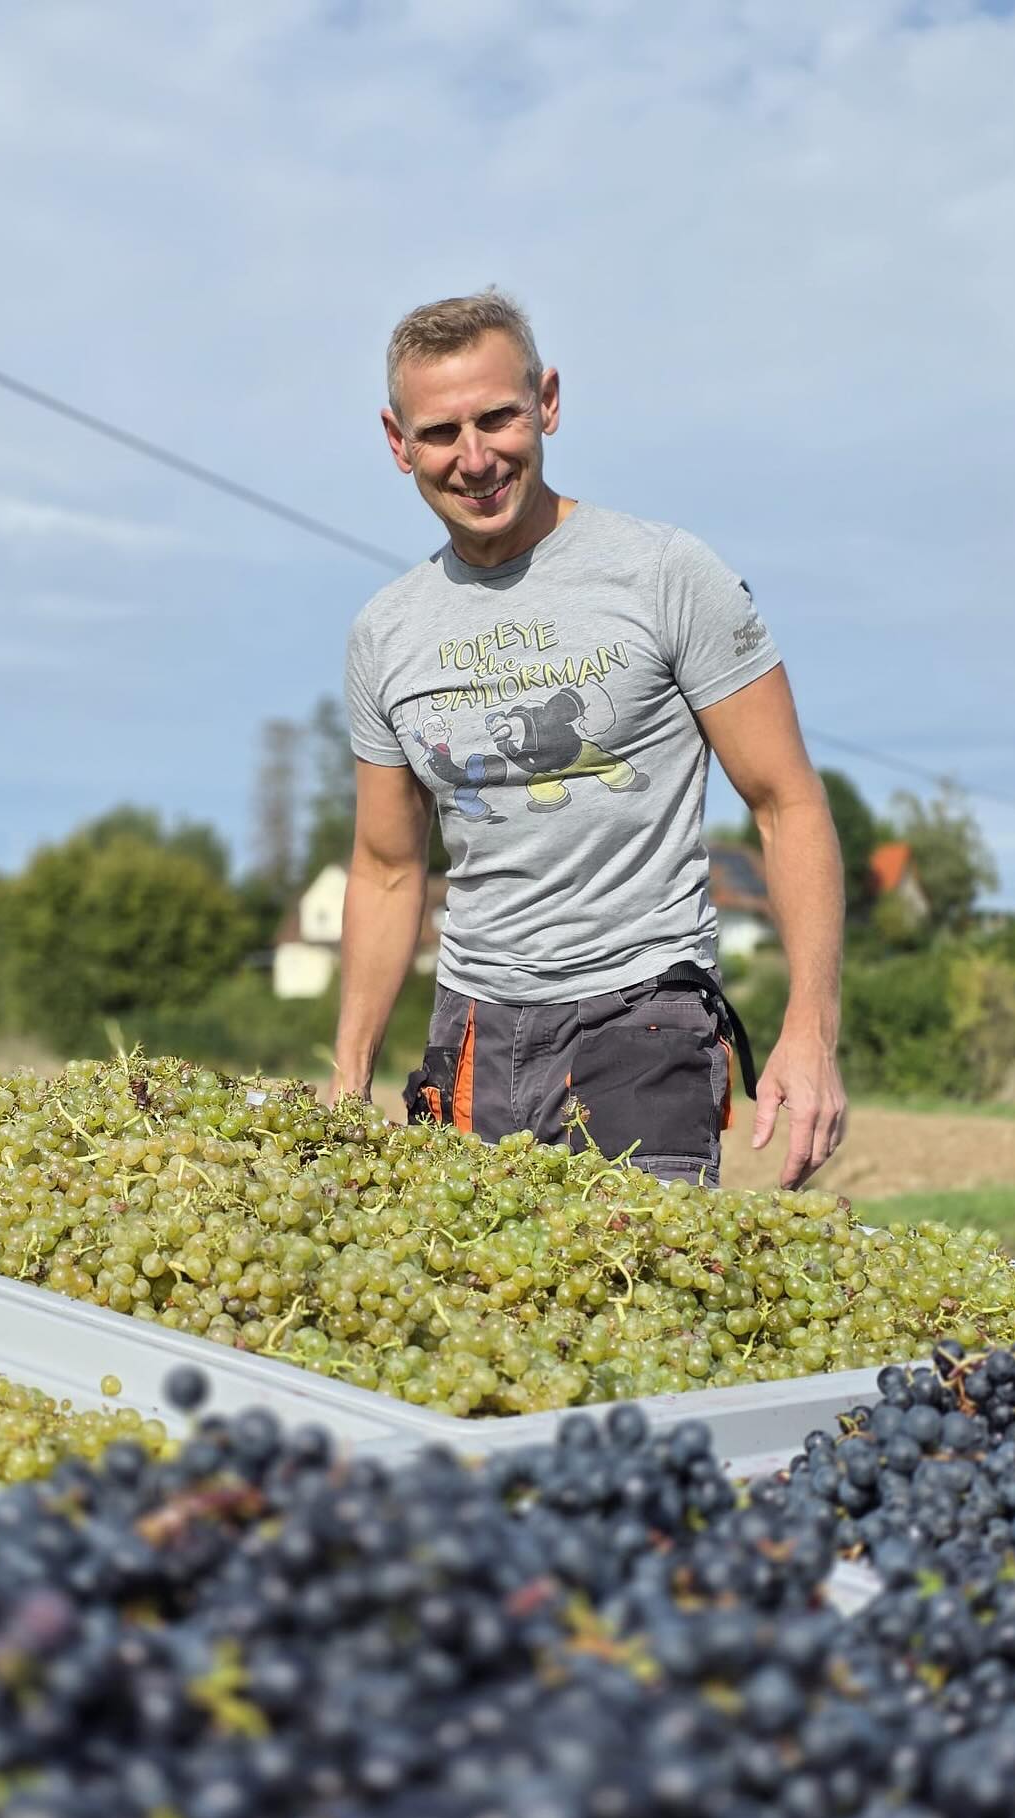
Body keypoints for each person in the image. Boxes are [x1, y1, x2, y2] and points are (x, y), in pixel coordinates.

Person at [333, 289, 847, 1189]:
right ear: (398, 442)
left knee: (638, 1300)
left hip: (643, 1015)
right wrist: (349, 1073)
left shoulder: (664, 573)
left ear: (548, 404)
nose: (476, 457)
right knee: (473, 1312)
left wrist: (810, 1028)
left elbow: (785, 801)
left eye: (498, 417)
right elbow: (384, 868)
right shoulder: (386, 634)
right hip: (474, 1031)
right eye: (443, 431)